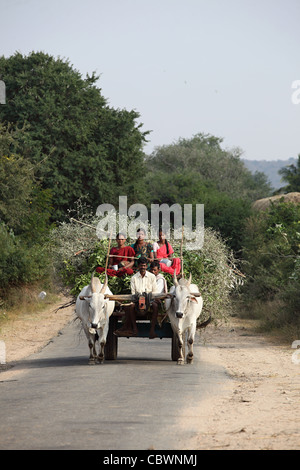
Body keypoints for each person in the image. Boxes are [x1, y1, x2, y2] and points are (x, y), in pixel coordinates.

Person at [114, 257, 160, 339]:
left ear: (147, 266)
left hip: (149, 299)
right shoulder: (134, 278)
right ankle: (135, 329)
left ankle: (152, 330)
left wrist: (147, 298)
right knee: (131, 307)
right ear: (138, 266)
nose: (143, 267)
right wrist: (139, 299)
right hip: (137, 299)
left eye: (144, 266)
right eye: (141, 266)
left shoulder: (152, 277)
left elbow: (155, 291)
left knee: (156, 306)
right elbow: (133, 293)